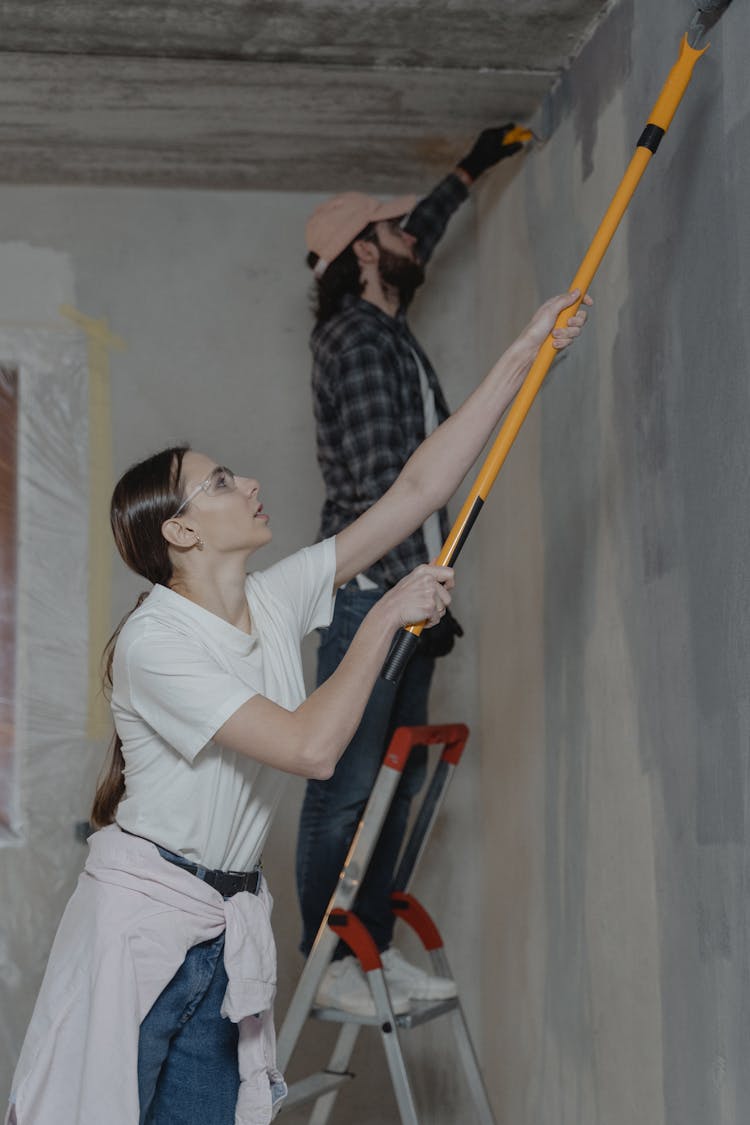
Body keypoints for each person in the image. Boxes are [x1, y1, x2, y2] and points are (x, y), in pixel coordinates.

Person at [6, 289, 588, 1125]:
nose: (247, 483)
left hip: (221, 927)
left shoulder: (273, 599)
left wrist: (525, 353)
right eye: (219, 482)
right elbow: (312, 748)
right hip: (138, 935)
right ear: (181, 532)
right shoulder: (157, 644)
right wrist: (385, 614)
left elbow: (418, 489)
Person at [297, 125, 537, 1016]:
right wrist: (410, 599)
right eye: (393, 232)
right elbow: (380, 492)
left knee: (390, 788)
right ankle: (325, 970)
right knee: (347, 787)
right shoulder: (358, 345)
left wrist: (470, 169)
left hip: (410, 598)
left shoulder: (382, 321)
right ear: (364, 251)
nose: (413, 239)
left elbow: (416, 241)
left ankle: (369, 954)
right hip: (375, 598)